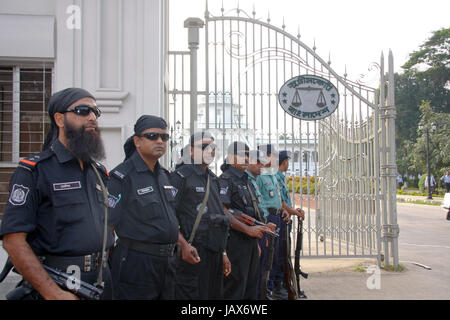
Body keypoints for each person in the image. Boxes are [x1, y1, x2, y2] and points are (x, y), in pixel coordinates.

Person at [0, 88, 114, 300]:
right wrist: (52, 293)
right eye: (82, 110)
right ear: (60, 119)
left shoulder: (98, 172)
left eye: (95, 112)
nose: (91, 118)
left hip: (100, 281)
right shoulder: (35, 171)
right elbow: (13, 241)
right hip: (58, 285)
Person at [107, 115, 179, 300]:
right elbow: (107, 225)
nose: (160, 141)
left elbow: (169, 218)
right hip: (136, 263)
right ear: (137, 141)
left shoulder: (164, 175)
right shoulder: (122, 176)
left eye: (164, 137)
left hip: (167, 262)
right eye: (153, 136)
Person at [170, 132, 232, 300]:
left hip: (215, 252)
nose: (209, 151)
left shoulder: (213, 179)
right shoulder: (180, 177)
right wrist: (183, 244)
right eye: (203, 146)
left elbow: (219, 217)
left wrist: (223, 253)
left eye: (212, 147)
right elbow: (169, 217)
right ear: (191, 151)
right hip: (192, 251)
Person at [219, 142, 272, 300]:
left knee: (250, 287)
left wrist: (259, 229)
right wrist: (248, 230)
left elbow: (251, 212)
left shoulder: (245, 180)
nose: (247, 158)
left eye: (248, 155)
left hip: (250, 242)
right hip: (234, 243)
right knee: (234, 289)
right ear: (230, 157)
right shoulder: (225, 180)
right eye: (242, 154)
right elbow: (223, 210)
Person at [246, 150, 277, 300]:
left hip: (262, 225)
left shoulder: (254, 179)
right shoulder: (248, 181)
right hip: (252, 229)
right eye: (257, 162)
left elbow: (261, 205)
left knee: (263, 267)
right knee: (255, 270)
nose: (261, 165)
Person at [275, 150, 306, 298]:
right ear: (284, 161)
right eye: (287, 160)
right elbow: (281, 203)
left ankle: (283, 284)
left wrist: (294, 211)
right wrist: (295, 212)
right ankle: (279, 285)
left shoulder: (279, 177)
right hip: (281, 219)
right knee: (281, 254)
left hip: (285, 218)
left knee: (284, 253)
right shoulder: (276, 177)